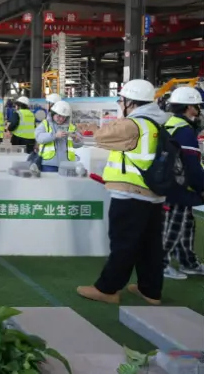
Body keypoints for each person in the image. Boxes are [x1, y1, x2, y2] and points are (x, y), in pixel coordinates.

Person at [77, 79, 168, 305]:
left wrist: (92, 128)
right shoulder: (157, 122)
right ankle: (150, 290)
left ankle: (107, 289)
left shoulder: (133, 124)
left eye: (121, 100)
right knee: (150, 245)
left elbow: (101, 137)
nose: (119, 104)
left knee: (123, 243)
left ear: (130, 102)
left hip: (130, 192)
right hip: (153, 194)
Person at [161, 87, 205, 279]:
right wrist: (201, 187)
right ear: (189, 107)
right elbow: (191, 164)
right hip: (179, 185)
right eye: (197, 105)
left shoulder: (170, 123)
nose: (199, 109)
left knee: (186, 224)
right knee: (173, 227)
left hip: (169, 182)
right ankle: (160, 265)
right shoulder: (185, 131)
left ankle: (188, 262)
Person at [34, 100, 83, 172]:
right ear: (53, 114)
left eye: (64, 117)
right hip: (49, 164)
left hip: (67, 164)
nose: (61, 119)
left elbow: (79, 143)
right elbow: (39, 138)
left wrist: (76, 140)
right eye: (59, 116)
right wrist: (54, 135)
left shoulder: (71, 127)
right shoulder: (45, 124)